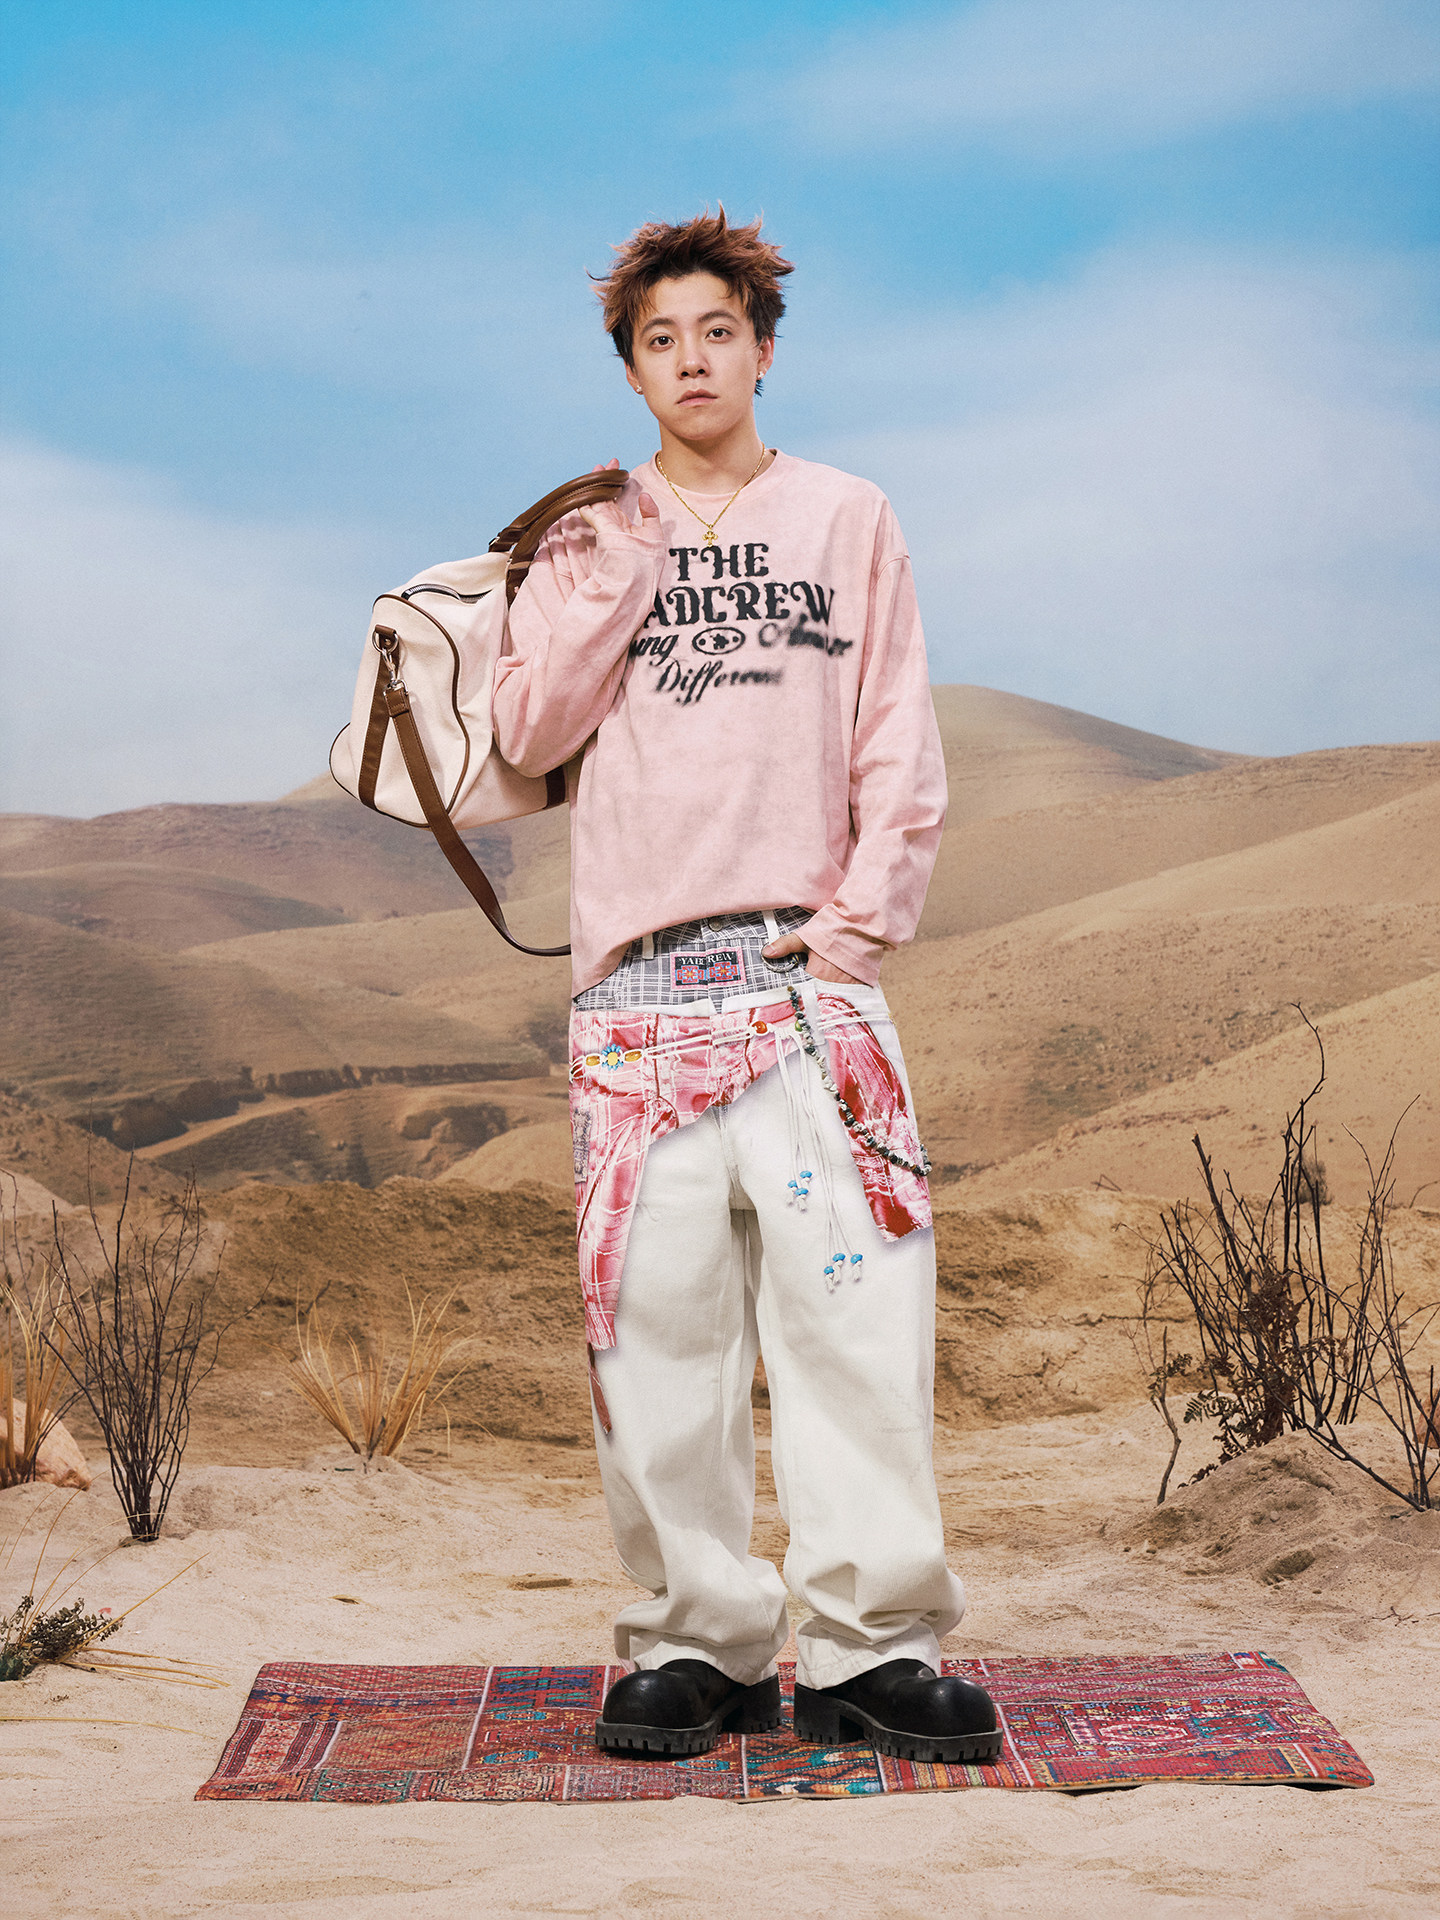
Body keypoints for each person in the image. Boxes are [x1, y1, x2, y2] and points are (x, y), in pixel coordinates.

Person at [492, 209, 999, 1765]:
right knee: (655, 1338)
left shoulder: (848, 516)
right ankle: (693, 1645)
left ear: (763, 347)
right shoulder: (583, 536)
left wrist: (856, 932)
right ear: (631, 369)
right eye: (660, 340)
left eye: (717, 331)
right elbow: (526, 734)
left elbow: (897, 736)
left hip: (803, 980)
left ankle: (870, 1648)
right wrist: (619, 567)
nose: (692, 360)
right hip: (635, 993)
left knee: (857, 1325)